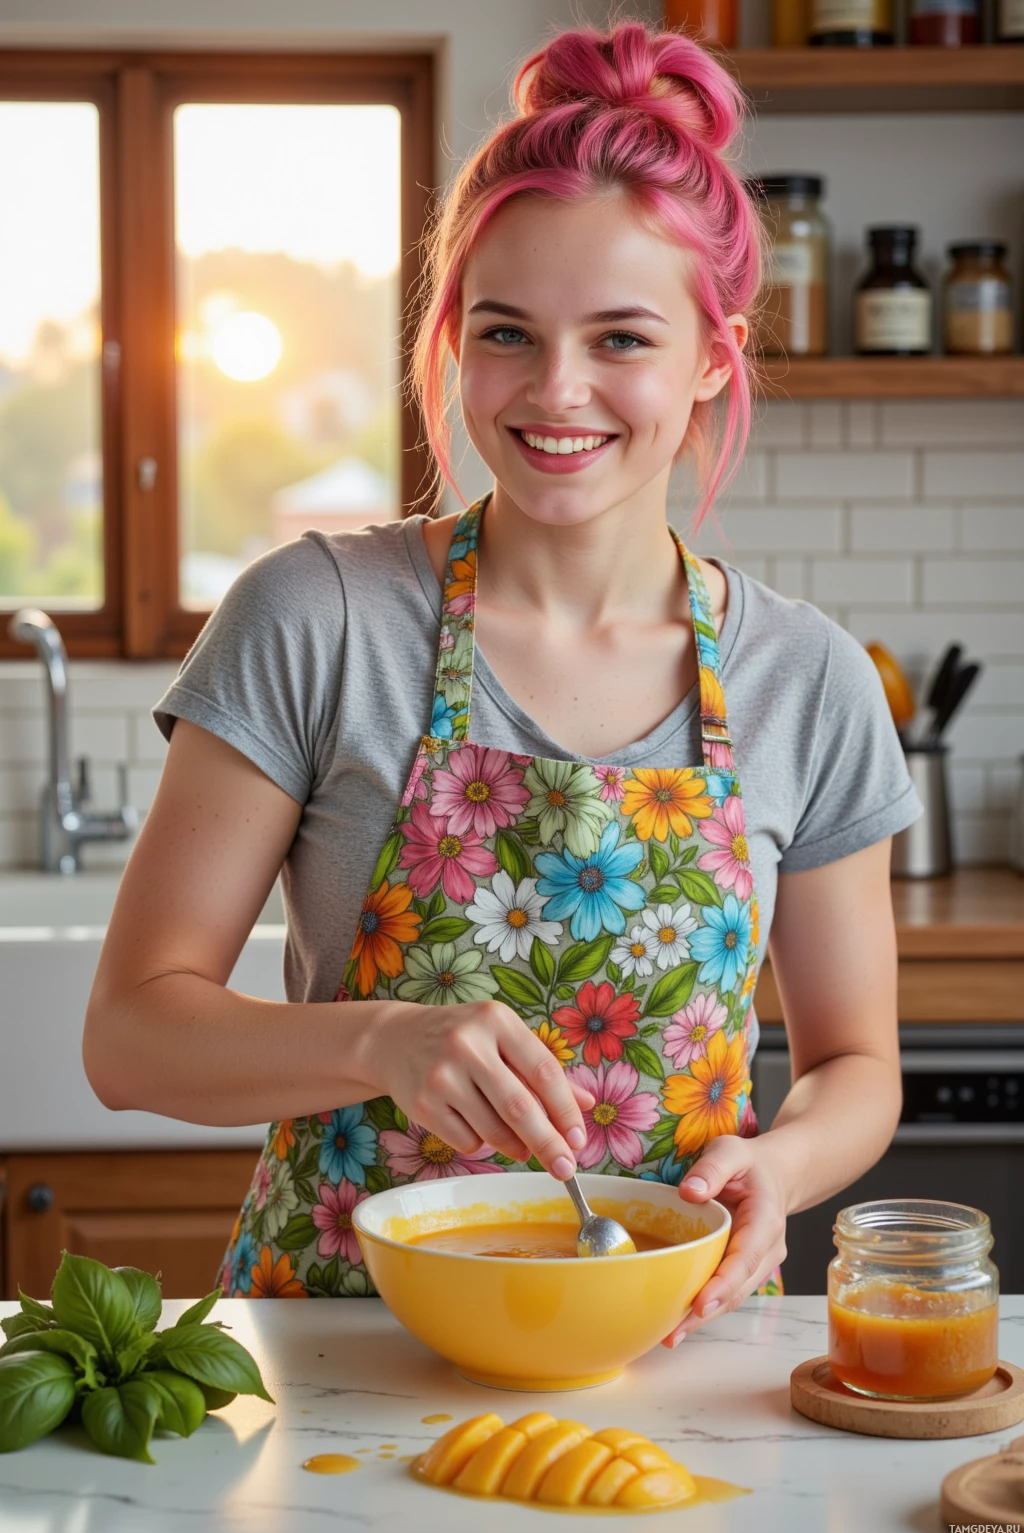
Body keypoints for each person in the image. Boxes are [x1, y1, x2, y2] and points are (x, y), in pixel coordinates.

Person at [84, 18, 920, 1339]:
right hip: (348, 1359)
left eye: (623, 339)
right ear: (452, 338)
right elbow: (131, 1039)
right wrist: (381, 1043)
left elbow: (857, 1067)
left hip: (677, 1352)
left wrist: (784, 1165)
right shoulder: (320, 618)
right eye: (509, 332)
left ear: (715, 353)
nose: (558, 389)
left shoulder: (806, 679)